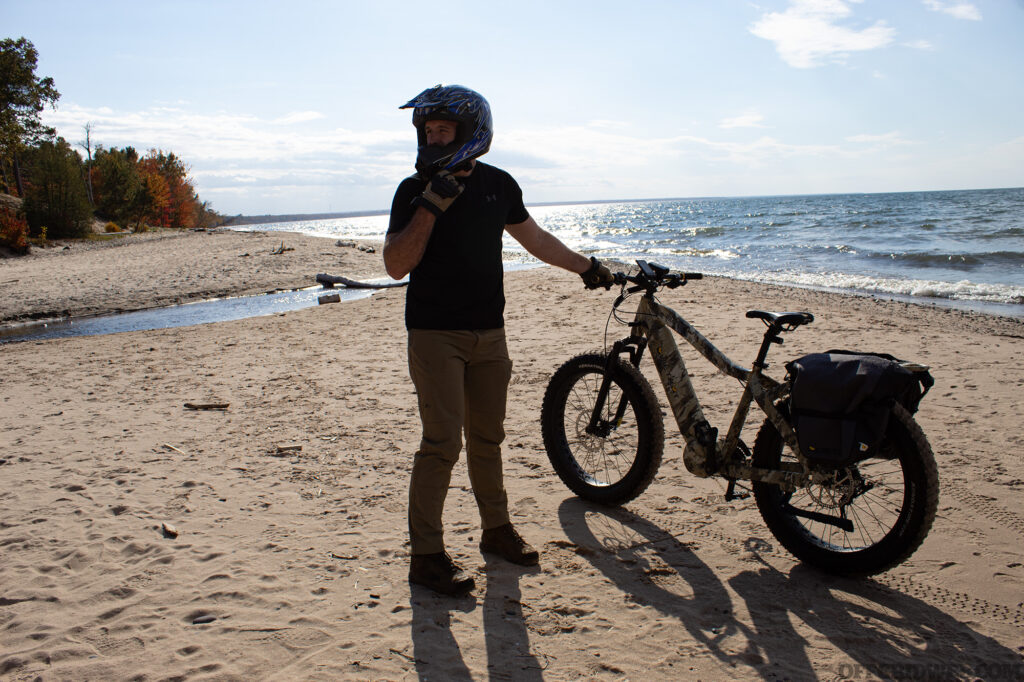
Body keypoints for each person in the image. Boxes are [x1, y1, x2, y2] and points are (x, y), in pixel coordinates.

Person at [383, 84, 613, 596]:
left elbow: (535, 240)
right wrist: (432, 205)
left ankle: (496, 531)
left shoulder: (498, 186)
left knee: (488, 439)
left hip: (491, 334)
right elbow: (397, 265)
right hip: (434, 334)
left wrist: (587, 267)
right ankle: (426, 556)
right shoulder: (410, 191)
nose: (432, 137)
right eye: (427, 130)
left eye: (442, 129)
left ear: (470, 132)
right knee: (441, 442)